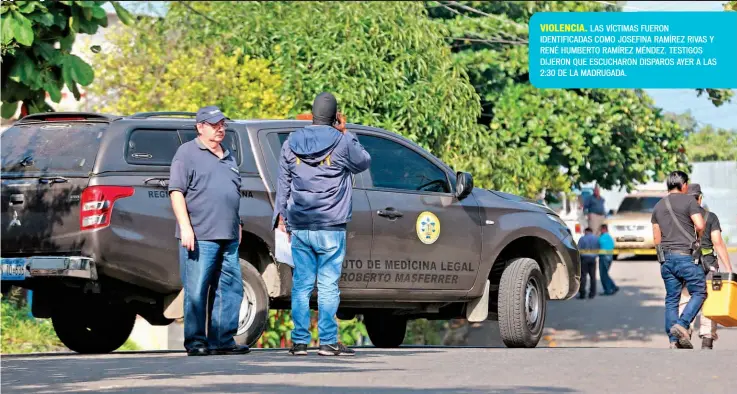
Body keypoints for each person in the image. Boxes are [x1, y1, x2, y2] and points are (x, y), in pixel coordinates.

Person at [273, 92, 371, 356]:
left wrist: (280, 217)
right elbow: (364, 161)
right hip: (330, 225)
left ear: (313, 113)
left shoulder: (291, 142)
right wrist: (347, 132)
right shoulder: (342, 142)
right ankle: (327, 342)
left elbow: (283, 183)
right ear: (335, 115)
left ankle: (300, 342)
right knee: (328, 285)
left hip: (300, 225)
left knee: (302, 284)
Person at [169, 105, 249, 356]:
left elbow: (232, 192)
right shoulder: (187, 153)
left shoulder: (229, 155)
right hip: (200, 235)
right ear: (200, 127)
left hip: (229, 235)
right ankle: (196, 342)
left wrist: (238, 223)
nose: (220, 129)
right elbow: (176, 192)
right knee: (197, 289)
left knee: (230, 288)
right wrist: (185, 227)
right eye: (214, 125)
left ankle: (222, 340)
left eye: (222, 124)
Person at [651, 170, 706, 349]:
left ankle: (673, 340)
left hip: (666, 258)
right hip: (685, 256)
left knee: (671, 299)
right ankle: (682, 325)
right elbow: (700, 224)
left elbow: (656, 237)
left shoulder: (658, 206)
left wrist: (662, 259)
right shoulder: (689, 200)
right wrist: (698, 239)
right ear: (683, 185)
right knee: (699, 291)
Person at [677, 183, 733, 349]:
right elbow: (718, 243)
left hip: (685, 264)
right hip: (709, 266)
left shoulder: (680, 219)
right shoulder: (710, 217)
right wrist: (728, 269)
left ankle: (684, 331)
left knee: (686, 299)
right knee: (709, 300)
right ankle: (707, 339)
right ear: (699, 198)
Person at [577, 227, 599, 299]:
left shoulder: (582, 238)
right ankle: (592, 294)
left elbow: (578, 249)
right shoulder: (596, 238)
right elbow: (599, 248)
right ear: (591, 231)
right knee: (593, 277)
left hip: (584, 259)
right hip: (593, 259)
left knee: (583, 276)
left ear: (586, 231)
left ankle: (582, 294)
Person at [598, 224, 619, 296]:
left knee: (603, 275)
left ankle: (608, 290)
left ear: (604, 229)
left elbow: (598, 245)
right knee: (605, 273)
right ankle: (613, 286)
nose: (600, 231)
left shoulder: (602, 237)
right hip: (610, 257)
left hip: (604, 257)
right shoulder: (610, 237)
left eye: (601, 229)